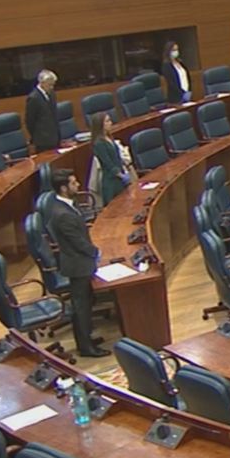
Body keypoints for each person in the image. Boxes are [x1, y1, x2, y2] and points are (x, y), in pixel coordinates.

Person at [47, 169, 106, 358]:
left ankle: (87, 338)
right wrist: (96, 252)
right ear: (64, 188)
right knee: (81, 307)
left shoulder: (66, 205)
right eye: (74, 183)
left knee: (86, 303)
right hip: (78, 264)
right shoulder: (62, 213)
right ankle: (85, 348)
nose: (78, 185)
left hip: (80, 261)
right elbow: (77, 242)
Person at [89, 112, 133, 206]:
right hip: (111, 182)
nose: (111, 123)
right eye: (107, 121)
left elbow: (117, 158)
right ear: (100, 124)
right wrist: (122, 176)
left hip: (120, 178)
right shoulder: (99, 143)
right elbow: (108, 164)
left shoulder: (109, 138)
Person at [25, 69, 61, 153]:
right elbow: (30, 121)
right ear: (42, 83)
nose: (52, 87)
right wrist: (37, 136)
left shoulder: (52, 94)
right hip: (42, 140)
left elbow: (54, 115)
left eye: (53, 85)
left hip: (55, 137)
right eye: (49, 85)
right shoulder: (33, 98)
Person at [161, 40, 191, 104]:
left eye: (177, 49)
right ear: (168, 51)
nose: (176, 52)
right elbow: (172, 83)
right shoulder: (167, 66)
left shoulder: (180, 62)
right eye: (174, 50)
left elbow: (186, 76)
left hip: (187, 94)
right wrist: (182, 93)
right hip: (176, 98)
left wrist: (189, 91)